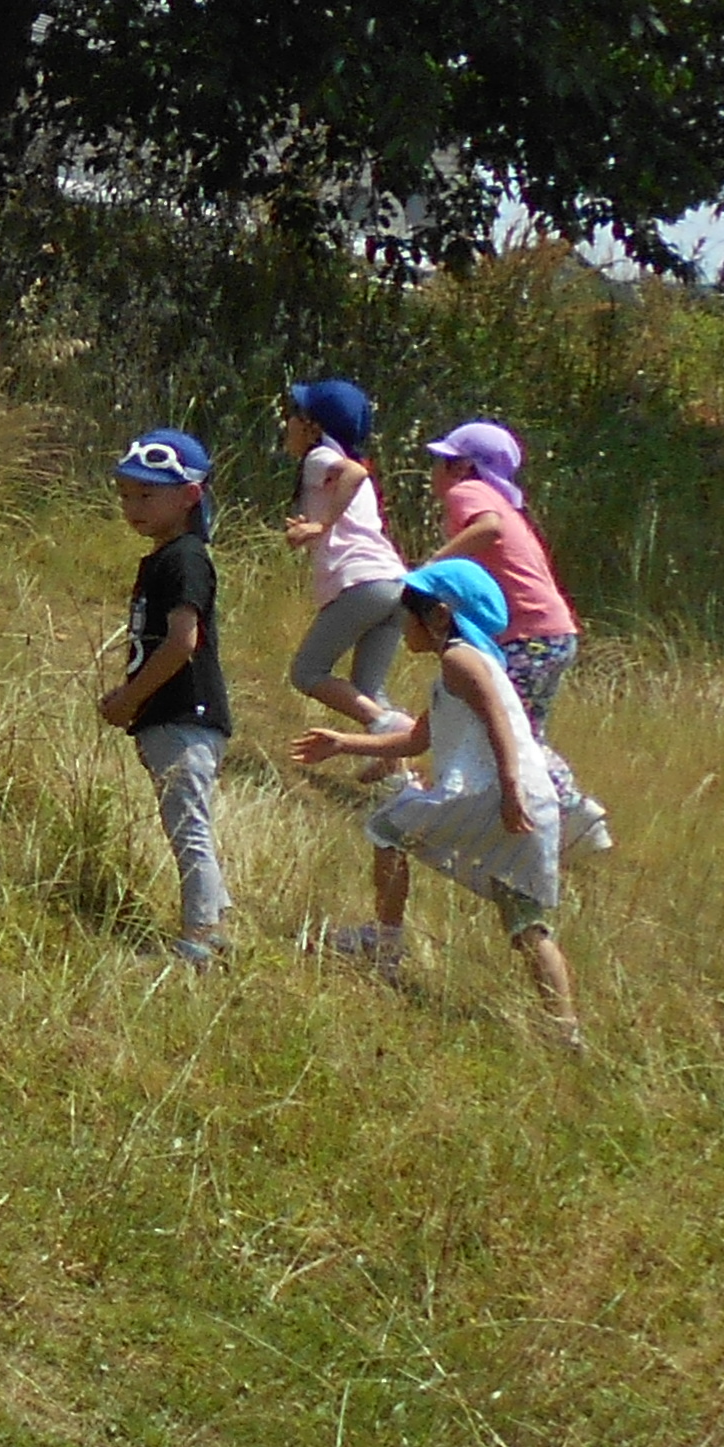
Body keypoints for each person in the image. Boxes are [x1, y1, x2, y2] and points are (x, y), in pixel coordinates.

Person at [285, 557, 607, 1042]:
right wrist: (343, 744)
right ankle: (564, 1029)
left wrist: (509, 788)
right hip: (527, 804)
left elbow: (499, 723)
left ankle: (386, 942)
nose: (399, 624)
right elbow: (417, 741)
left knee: (388, 827)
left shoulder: (459, 660)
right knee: (525, 920)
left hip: (494, 795)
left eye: (406, 614)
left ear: (439, 616)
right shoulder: (466, 667)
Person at [95, 429, 234, 965]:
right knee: (185, 818)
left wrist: (131, 697)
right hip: (170, 716)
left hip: (184, 713)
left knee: (187, 825)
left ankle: (198, 938)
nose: (133, 507)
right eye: (127, 495)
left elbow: (182, 643)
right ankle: (213, 924)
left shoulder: (184, 559)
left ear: (190, 497)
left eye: (148, 495)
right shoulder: (163, 559)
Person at [421, 420, 581, 724]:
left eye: (441, 461)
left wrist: (433, 566)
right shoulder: (503, 504)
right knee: (523, 736)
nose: (434, 470)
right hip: (554, 635)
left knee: (499, 733)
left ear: (461, 467)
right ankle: (547, 775)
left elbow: (489, 528)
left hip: (528, 638)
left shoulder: (468, 490)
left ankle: (549, 775)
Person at [277, 374, 408, 730]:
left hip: (361, 582)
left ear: (312, 427)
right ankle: (398, 774)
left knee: (307, 672)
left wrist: (321, 526)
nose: (286, 421)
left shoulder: (321, 457)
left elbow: (354, 473)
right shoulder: (334, 472)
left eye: (294, 414)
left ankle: (393, 727)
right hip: (395, 584)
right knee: (369, 688)